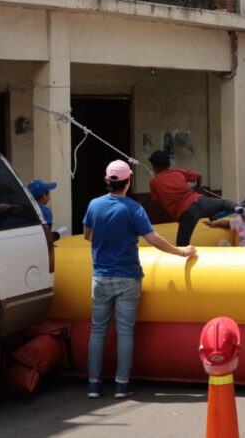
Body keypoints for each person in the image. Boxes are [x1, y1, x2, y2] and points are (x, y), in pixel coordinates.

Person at [83, 160, 196, 399]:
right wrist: (180, 252)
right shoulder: (134, 208)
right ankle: (121, 385)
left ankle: (93, 385)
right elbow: (153, 239)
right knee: (124, 332)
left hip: (101, 276)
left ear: (107, 181)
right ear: (128, 182)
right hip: (127, 276)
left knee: (98, 330)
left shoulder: (94, 205)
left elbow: (88, 235)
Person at [148, 150, 235, 247]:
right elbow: (198, 176)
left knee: (181, 244)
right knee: (224, 203)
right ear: (169, 164)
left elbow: (156, 200)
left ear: (154, 167)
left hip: (186, 213)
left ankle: (185, 259)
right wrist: (198, 187)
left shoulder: (154, 182)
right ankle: (238, 208)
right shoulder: (178, 172)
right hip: (199, 201)